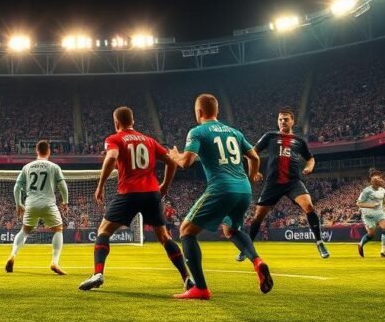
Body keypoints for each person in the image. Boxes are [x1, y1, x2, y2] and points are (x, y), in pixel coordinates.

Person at [166, 94, 273, 300]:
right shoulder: (234, 132)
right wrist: (250, 177)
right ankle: (257, 261)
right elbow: (255, 157)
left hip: (221, 187)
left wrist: (174, 156)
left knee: (186, 231)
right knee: (230, 229)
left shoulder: (197, 131)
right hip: (243, 189)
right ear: (217, 111)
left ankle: (200, 288)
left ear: (199, 112)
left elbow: (186, 162)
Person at [77, 107, 190, 292]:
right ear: (133, 121)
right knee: (164, 237)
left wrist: (101, 185)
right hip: (152, 193)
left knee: (103, 231)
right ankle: (187, 278)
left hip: (129, 193)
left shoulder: (114, 139)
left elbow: (111, 158)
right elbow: (171, 162)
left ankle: (98, 273)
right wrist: (164, 186)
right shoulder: (150, 140)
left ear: (116, 123)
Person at [240, 107, 328, 260]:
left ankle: (319, 242)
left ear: (292, 121)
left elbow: (310, 158)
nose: (282, 122)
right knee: (258, 216)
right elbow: (251, 153)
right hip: (273, 182)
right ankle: (247, 247)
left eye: (286, 119)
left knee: (309, 206)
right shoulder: (270, 136)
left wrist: (308, 167)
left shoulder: (299, 141)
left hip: (293, 181)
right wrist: (254, 172)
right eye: (280, 119)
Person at [7, 140, 69, 275]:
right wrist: (65, 202)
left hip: (31, 203)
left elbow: (17, 187)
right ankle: (54, 262)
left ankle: (12, 255)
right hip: (48, 203)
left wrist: (18, 203)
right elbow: (63, 186)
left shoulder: (27, 167)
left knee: (24, 231)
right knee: (58, 230)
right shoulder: (54, 167)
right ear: (49, 151)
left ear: (36, 151)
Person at [356, 169, 385, 259]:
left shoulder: (382, 190)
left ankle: (383, 251)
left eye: (381, 179)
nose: (381, 180)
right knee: (371, 234)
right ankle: (361, 244)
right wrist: (371, 205)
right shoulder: (366, 191)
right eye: (378, 179)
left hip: (379, 213)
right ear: (373, 182)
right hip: (368, 214)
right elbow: (358, 203)